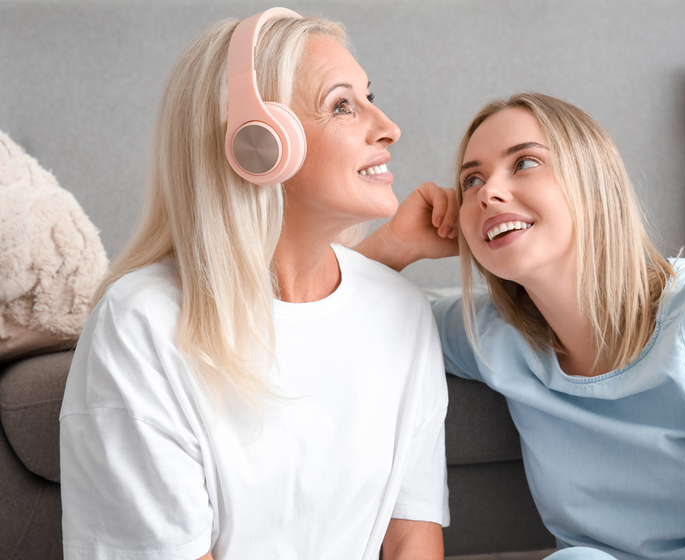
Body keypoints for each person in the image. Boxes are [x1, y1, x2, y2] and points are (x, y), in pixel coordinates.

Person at [361, 92, 685, 559]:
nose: (487, 192)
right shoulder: (490, 335)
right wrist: (395, 245)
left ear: (594, 184)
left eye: (524, 163)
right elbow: (322, 316)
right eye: (471, 180)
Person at [59, 8, 448, 560]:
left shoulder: (403, 312)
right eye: (342, 105)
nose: (388, 126)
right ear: (258, 142)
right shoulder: (142, 322)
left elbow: (412, 534)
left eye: (370, 96)